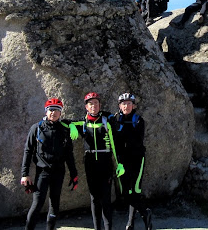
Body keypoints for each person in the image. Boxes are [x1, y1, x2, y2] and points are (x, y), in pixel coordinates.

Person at [21, 98, 78, 230]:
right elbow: (28, 151)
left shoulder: (64, 130)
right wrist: (25, 174)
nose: (54, 113)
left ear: (61, 112)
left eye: (57, 110)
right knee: (37, 204)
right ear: (46, 111)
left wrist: (74, 173)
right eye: (51, 110)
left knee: (55, 204)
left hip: (59, 171)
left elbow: (69, 154)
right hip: (43, 172)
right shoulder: (37, 128)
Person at [71, 92, 124, 230]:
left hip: (105, 161)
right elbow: (64, 123)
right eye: (90, 103)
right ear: (86, 107)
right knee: (94, 198)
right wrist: (71, 126)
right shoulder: (83, 122)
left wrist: (119, 163)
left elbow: (115, 143)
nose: (93, 105)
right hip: (90, 162)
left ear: (99, 105)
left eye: (96, 103)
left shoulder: (107, 119)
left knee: (106, 198)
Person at [110, 93, 153, 230]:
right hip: (123, 162)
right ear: (119, 106)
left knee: (135, 191)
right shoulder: (116, 120)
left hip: (137, 160)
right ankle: (145, 213)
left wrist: (121, 129)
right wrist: (119, 162)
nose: (126, 106)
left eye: (129, 103)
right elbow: (116, 143)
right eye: (123, 103)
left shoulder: (139, 120)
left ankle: (130, 223)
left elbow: (136, 141)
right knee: (125, 193)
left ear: (133, 105)